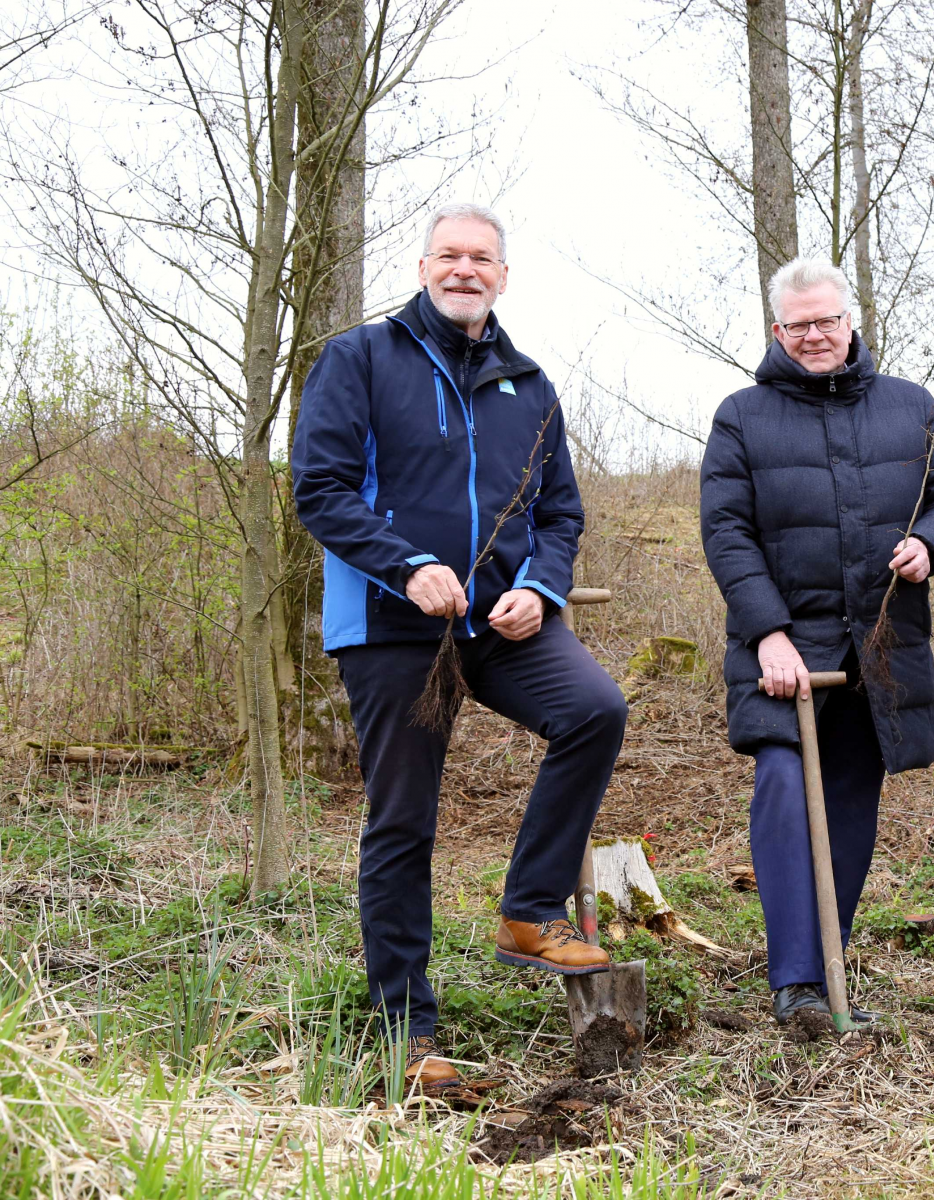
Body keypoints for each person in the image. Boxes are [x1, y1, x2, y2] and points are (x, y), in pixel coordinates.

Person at [292, 203, 627, 1092]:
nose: (465, 270)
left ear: (503, 276)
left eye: (482, 258)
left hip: (501, 623)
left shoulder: (531, 383)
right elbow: (320, 490)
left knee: (594, 710)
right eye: (449, 255)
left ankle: (528, 911)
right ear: (423, 265)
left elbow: (559, 513)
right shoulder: (360, 360)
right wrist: (405, 565)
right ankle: (407, 1029)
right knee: (403, 820)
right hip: (395, 622)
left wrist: (540, 587)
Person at [700, 256, 934, 1026]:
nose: (814, 335)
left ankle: (826, 965)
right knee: (784, 788)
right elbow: (726, 535)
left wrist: (929, 543)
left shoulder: (909, 407)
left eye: (827, 320)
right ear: (776, 330)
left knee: (851, 805)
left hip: (879, 647)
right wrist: (769, 635)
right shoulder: (740, 415)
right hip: (783, 650)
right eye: (798, 324)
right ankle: (794, 983)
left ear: (851, 321)